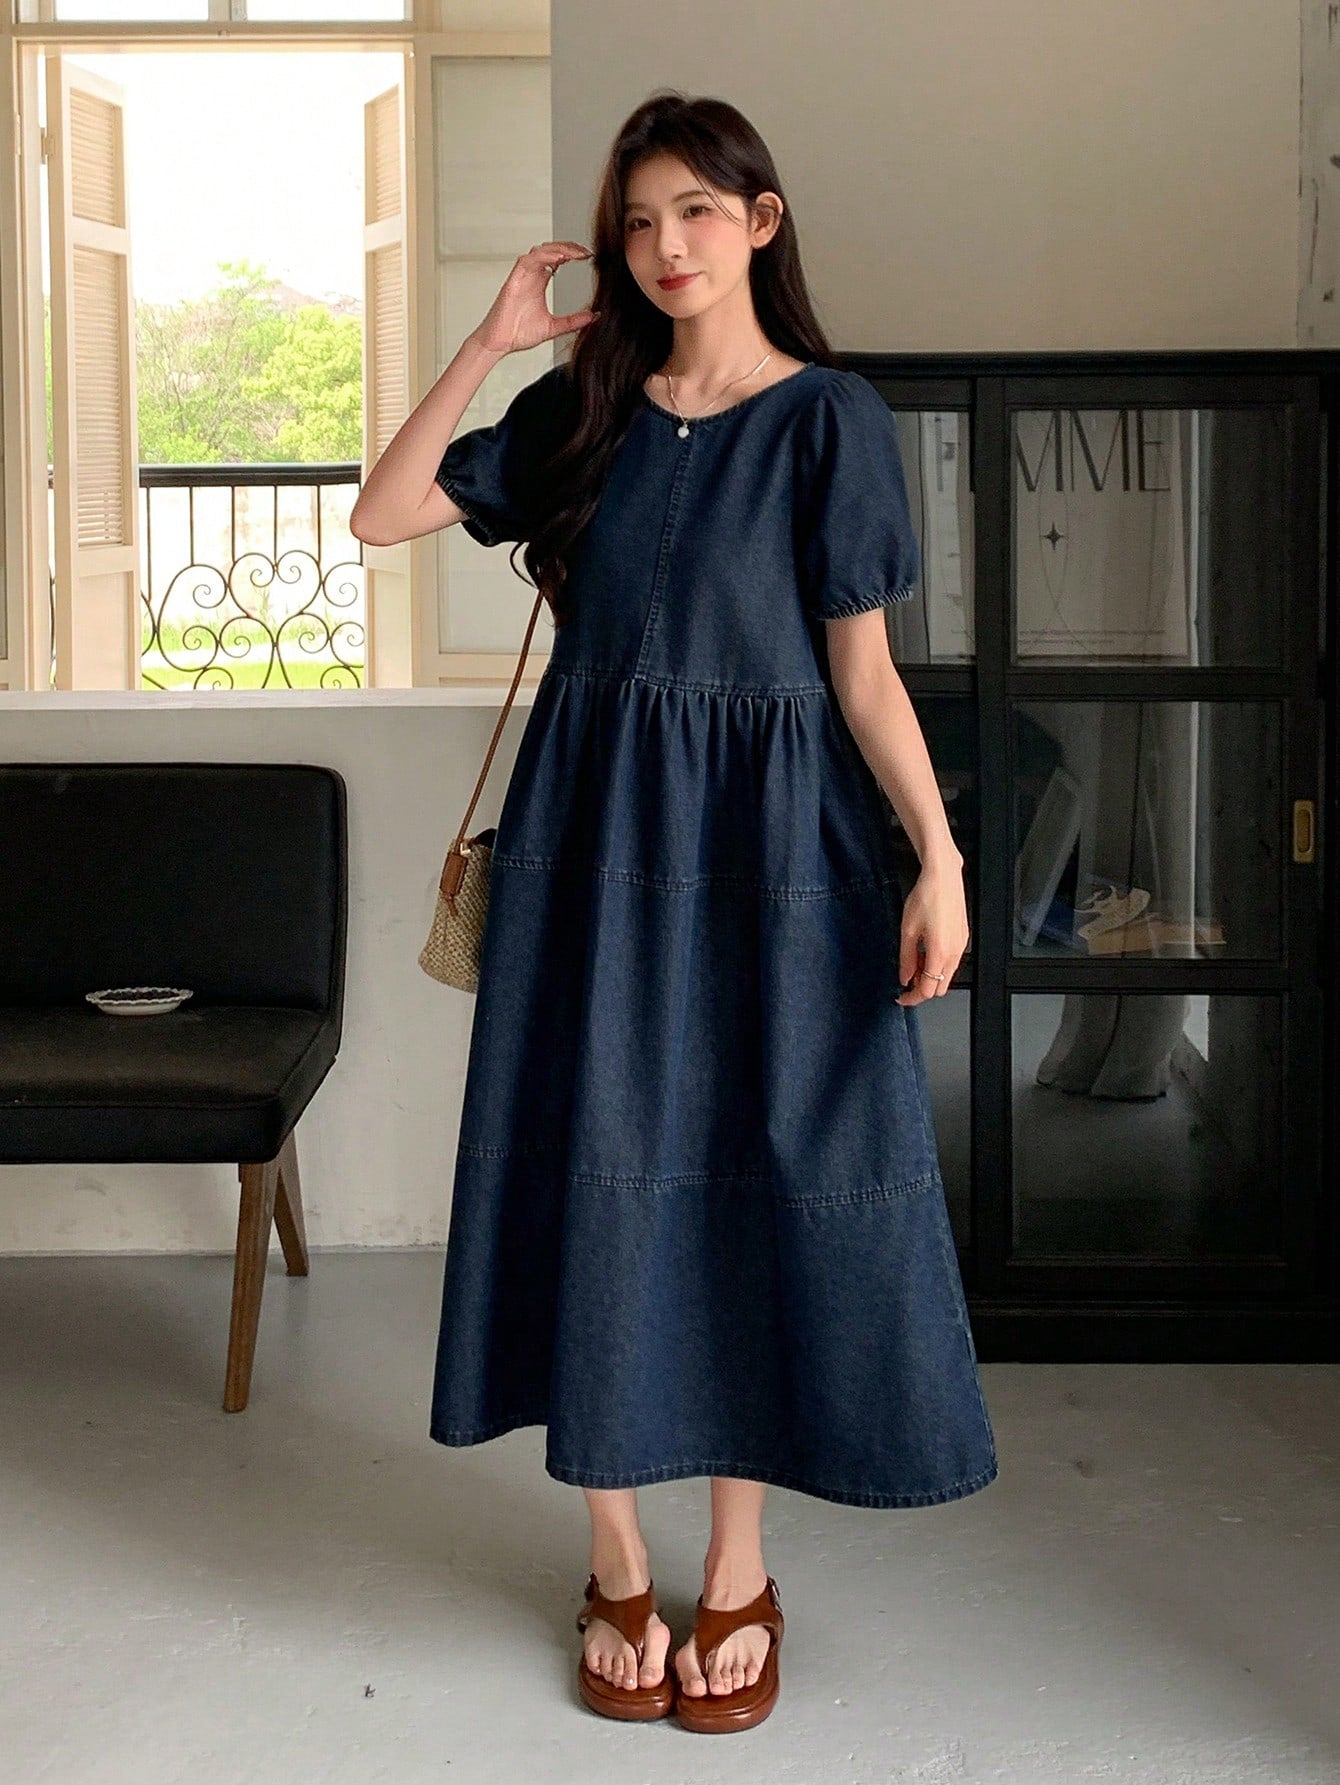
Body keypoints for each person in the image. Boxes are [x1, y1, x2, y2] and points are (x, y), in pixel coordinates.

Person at [352, 90, 997, 1737]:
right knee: (595, 1162)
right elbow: (385, 510)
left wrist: (939, 858)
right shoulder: (585, 412)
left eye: (698, 211)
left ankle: (739, 1568)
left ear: (761, 222)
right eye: (638, 221)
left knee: (756, 1174)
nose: (665, 246)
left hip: (779, 852)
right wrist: (492, 339)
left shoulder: (831, 418)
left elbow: (863, 674)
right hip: (590, 848)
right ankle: (615, 1554)